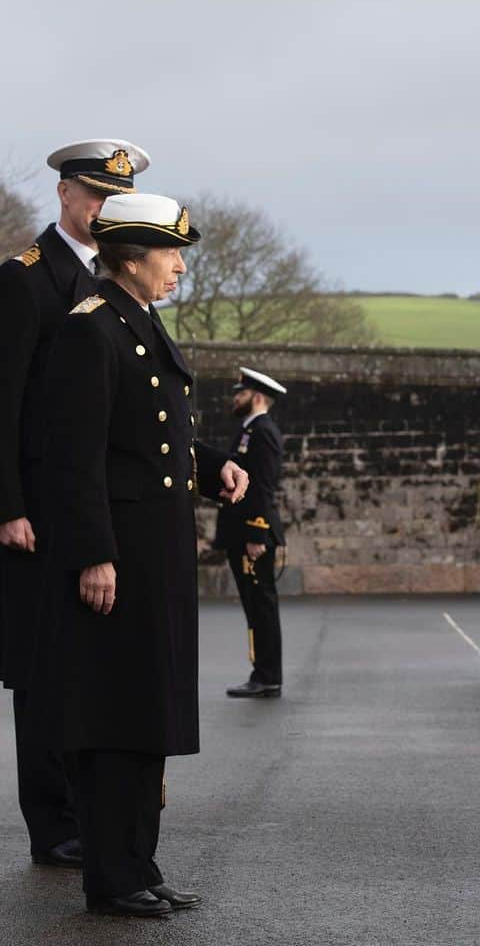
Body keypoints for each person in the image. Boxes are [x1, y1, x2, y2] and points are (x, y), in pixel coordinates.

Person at [39, 193, 249, 917]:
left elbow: (154, 439)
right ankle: (111, 874)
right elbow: (75, 458)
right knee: (112, 715)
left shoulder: (140, 322)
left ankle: (139, 861)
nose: (181, 267)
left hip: (155, 554)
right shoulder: (90, 331)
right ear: (131, 256)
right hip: (118, 556)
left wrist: (212, 462)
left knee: (147, 711)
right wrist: (95, 554)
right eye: (171, 253)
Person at [0, 139, 149, 870]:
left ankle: (86, 817)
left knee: (83, 667)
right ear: (63, 194)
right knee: (38, 672)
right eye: (93, 196)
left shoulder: (115, 283)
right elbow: (3, 405)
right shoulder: (26, 281)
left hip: (89, 506)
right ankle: (52, 824)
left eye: (113, 202)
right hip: (34, 513)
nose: (102, 210)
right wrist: (7, 505)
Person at [215, 367, 288, 699]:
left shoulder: (263, 431)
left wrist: (257, 533)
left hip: (253, 536)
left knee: (261, 604)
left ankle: (267, 675)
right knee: (254, 603)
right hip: (242, 533)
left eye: (241, 393)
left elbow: (262, 486)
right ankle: (263, 672)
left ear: (257, 397)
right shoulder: (249, 430)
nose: (235, 398)